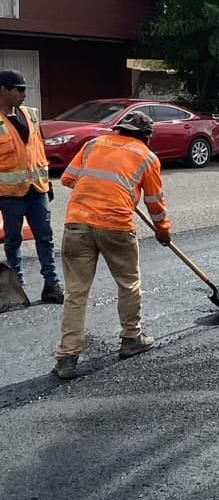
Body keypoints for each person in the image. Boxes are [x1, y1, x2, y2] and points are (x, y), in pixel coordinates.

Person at [53, 111, 171, 380]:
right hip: (115, 225)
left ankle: (67, 357)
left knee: (75, 292)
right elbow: (154, 201)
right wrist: (163, 231)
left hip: (77, 223)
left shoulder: (93, 144)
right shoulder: (147, 157)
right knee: (128, 282)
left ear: (118, 130)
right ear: (146, 137)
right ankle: (131, 339)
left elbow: (68, 179)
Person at [0, 69, 64, 304]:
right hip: (10, 194)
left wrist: (47, 184)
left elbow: (38, 151)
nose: (24, 94)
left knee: (45, 238)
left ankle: (51, 285)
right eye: (19, 89)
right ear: (3, 90)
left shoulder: (32, 115)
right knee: (13, 240)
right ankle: (16, 289)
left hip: (37, 189)